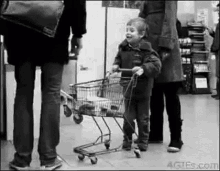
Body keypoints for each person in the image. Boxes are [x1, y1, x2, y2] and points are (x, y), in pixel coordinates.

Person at [3, 1, 87, 170]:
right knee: (52, 93)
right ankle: (48, 158)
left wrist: (5, 27)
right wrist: (78, 32)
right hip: (55, 28)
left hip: (19, 26)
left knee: (23, 92)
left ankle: (21, 159)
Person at [138, 1, 184, 152]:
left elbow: (170, 16)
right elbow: (142, 15)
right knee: (154, 92)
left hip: (166, 45)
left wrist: (166, 44)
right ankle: (156, 133)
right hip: (150, 42)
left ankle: (176, 138)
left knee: (170, 93)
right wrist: (137, 35)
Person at [112, 17, 162, 151]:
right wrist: (116, 65)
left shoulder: (147, 49)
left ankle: (143, 141)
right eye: (127, 30)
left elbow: (156, 65)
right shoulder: (123, 47)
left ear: (141, 34)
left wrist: (143, 68)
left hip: (143, 90)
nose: (128, 33)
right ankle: (127, 140)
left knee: (143, 118)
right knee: (128, 117)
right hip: (128, 88)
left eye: (132, 30)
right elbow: (118, 58)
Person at [206, 3, 219, 100]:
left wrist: (213, 48)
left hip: (218, 50)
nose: (218, 13)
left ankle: (218, 93)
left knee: (218, 72)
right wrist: (212, 33)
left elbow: (218, 39)